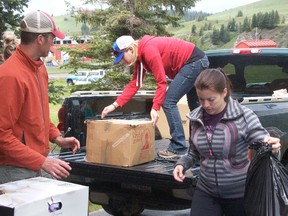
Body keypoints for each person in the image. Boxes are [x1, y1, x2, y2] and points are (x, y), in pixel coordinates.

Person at [172, 68, 281, 216]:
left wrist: (270, 144)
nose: (206, 105)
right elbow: (193, 152)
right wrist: (181, 164)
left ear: (224, 92)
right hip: (206, 191)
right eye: (201, 99)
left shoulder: (243, 116)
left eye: (211, 99)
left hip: (239, 194)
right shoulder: (196, 119)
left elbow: (261, 139)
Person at [0, 10, 80, 184]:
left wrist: (57, 138)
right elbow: (1, 134)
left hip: (38, 162)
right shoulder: (10, 75)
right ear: (40, 39)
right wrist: (42, 161)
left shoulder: (39, 68)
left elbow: (39, 115)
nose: (53, 43)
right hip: (14, 169)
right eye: (52, 38)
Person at [101, 35, 209, 159]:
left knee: (168, 102)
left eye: (122, 57)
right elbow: (135, 84)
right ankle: (199, 147)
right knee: (195, 107)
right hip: (197, 61)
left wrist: (155, 107)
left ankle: (178, 147)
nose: (123, 62)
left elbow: (162, 82)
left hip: (194, 62)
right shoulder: (140, 58)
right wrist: (114, 105)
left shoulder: (148, 51)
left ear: (130, 49)